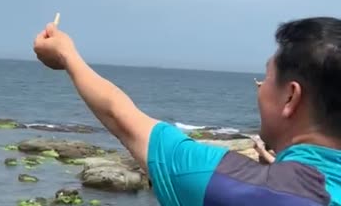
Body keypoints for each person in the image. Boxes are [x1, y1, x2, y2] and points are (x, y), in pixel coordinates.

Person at [33, 16, 341, 205]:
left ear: (290, 97)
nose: (260, 88)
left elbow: (120, 115)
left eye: (268, 78)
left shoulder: (230, 184)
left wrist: (65, 55)